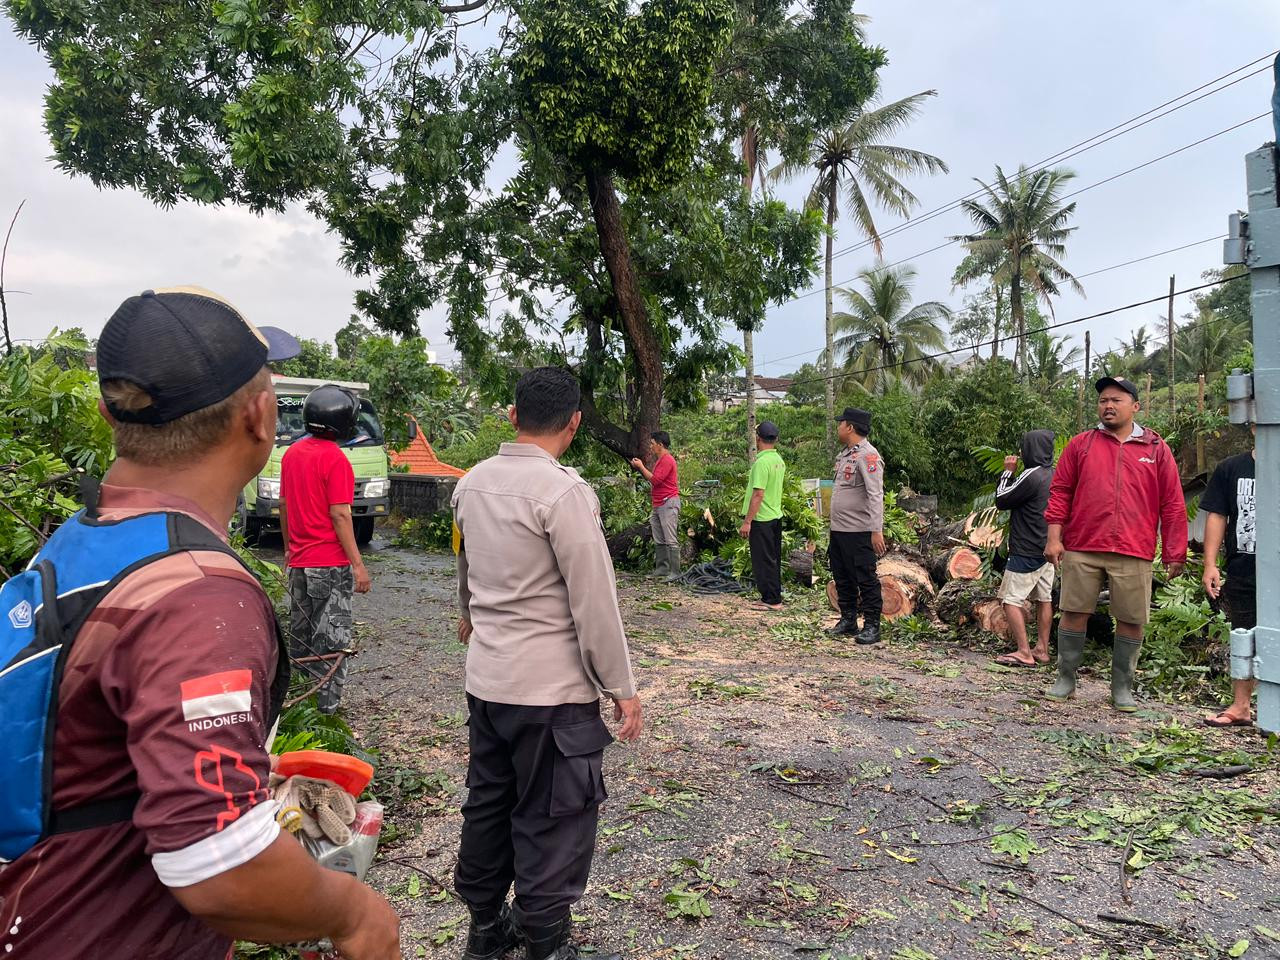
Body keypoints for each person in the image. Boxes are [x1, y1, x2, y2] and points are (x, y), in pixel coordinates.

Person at [0, 287, 401, 959]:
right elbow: (221, 867)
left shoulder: (81, 540)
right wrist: (355, 914)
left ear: (107, 414)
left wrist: (235, 763)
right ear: (260, 416)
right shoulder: (198, 595)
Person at [452, 366, 643, 960]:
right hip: (551, 694)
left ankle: (486, 930)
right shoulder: (563, 494)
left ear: (514, 415)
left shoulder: (471, 485)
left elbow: (465, 565)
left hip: (488, 683)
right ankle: (546, 943)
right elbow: (594, 599)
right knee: (554, 815)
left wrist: (469, 615)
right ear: (575, 423)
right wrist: (621, 686)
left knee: (489, 802)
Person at [1044, 377, 1188, 712]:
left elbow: (1172, 503)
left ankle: (1122, 688)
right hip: (1083, 545)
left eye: (1116, 400)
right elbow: (1060, 492)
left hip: (1134, 548)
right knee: (1073, 612)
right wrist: (1054, 538)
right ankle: (1066, 678)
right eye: (1103, 400)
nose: (1108, 406)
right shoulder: (1081, 445)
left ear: (1135, 406)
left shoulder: (1156, 449)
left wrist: (1175, 552)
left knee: (1131, 619)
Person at [280, 384, 373, 715]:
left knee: (301, 640)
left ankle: (298, 711)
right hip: (330, 565)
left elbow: (284, 505)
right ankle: (326, 714)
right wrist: (358, 565)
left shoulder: (291, 455)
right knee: (332, 644)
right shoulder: (335, 460)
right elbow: (340, 514)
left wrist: (289, 549)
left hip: (300, 564)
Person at [1201, 437, 1257, 727]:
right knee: (1243, 633)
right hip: (1244, 568)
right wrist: (1210, 564)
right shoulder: (1232, 468)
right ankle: (1241, 706)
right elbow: (1217, 515)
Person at [992, 430, 1057, 668]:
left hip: (1026, 549)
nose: (1020, 452)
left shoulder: (1031, 474)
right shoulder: (1053, 474)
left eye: (1023, 447)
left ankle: (1024, 652)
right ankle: (1042, 649)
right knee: (1044, 599)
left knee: (1010, 601)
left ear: (1030, 449)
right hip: (1046, 548)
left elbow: (1002, 499)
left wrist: (1008, 471)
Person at [826, 408, 886, 645]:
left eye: (840, 423)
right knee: (842, 576)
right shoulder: (845, 455)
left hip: (859, 531)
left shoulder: (868, 456)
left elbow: (875, 494)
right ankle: (848, 619)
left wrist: (876, 530)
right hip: (839, 530)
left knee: (865, 578)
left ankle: (872, 625)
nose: (838, 427)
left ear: (850, 427)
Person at [739, 421, 787, 611]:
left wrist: (747, 521)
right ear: (776, 439)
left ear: (758, 438)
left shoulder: (761, 463)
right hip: (775, 515)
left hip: (762, 518)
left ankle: (772, 599)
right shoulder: (778, 460)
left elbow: (758, 494)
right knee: (772, 558)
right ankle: (772, 595)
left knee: (763, 560)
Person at [629, 430, 681, 577]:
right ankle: (662, 569)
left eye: (652, 444)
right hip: (659, 504)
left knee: (670, 538)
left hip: (668, 503)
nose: (650, 446)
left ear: (660, 444)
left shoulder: (667, 460)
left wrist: (641, 467)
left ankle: (675, 572)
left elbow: (656, 480)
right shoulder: (661, 460)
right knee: (659, 537)